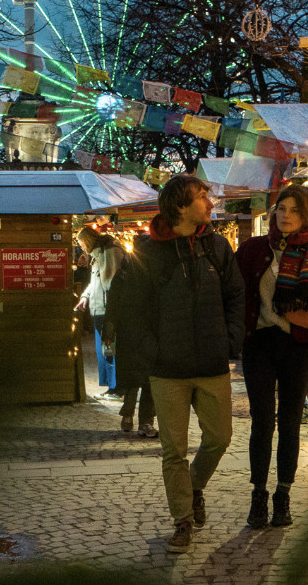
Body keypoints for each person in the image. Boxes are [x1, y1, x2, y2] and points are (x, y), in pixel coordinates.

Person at [111, 175, 244, 552]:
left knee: (219, 439)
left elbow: (236, 296)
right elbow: (131, 310)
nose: (210, 200)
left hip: (211, 363)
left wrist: (230, 341)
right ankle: (182, 520)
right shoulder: (149, 252)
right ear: (181, 206)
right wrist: (154, 351)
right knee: (174, 450)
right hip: (168, 369)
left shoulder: (217, 246)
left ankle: (194, 486)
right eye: (202, 196)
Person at [235, 185, 308, 529]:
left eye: (294, 210)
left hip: (298, 347)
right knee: (262, 421)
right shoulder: (253, 250)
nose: (285, 215)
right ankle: (258, 496)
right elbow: (235, 297)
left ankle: (283, 495)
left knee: (291, 422)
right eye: (281, 208)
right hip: (260, 346)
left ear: (307, 215)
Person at [103, 244, 158, 438]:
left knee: (146, 379)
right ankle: (137, 419)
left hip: (145, 333)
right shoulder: (125, 276)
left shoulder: (150, 275)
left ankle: (139, 420)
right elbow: (113, 304)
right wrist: (109, 331)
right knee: (137, 378)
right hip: (132, 333)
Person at [74, 227, 125, 399]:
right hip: (98, 308)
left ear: (88, 241)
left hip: (107, 309)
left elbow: (111, 283)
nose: (81, 247)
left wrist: (111, 308)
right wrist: (86, 296)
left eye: (81, 243)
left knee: (109, 348)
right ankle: (112, 386)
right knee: (104, 349)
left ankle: (117, 387)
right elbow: (96, 282)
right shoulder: (97, 255)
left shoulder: (109, 251)